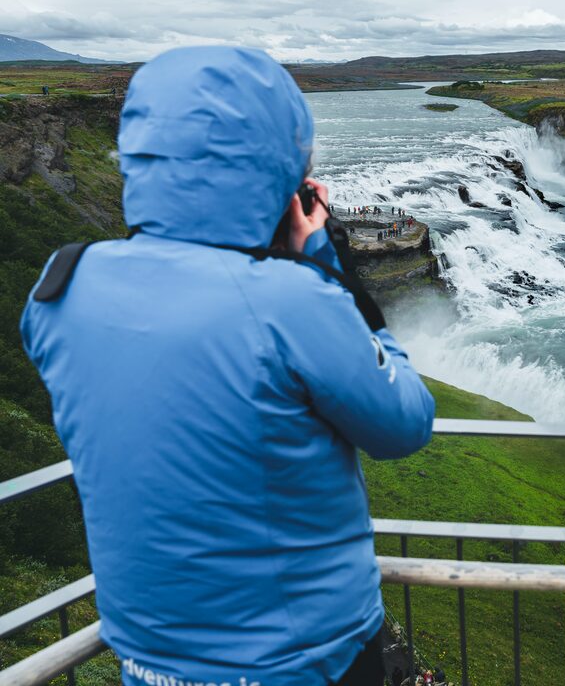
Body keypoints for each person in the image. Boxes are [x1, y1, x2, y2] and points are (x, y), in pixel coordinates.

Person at [22, 47, 436, 686]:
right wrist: (325, 265)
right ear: (278, 172)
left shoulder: (61, 287)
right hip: (306, 660)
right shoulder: (292, 300)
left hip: (148, 660)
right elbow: (405, 424)